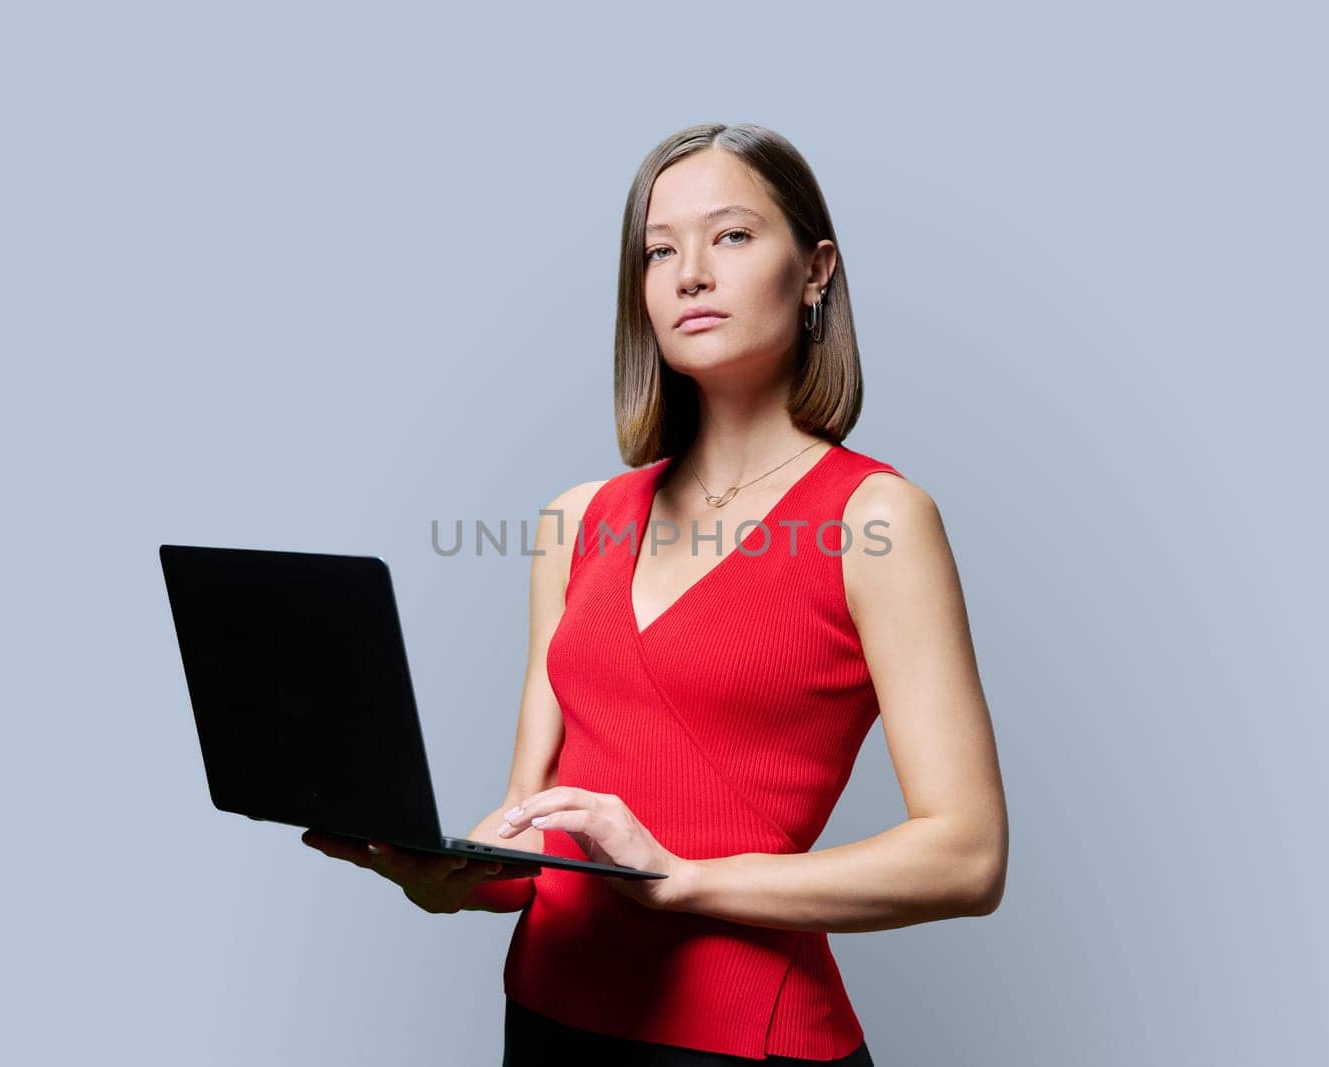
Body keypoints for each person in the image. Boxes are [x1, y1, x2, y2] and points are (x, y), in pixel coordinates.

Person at [303, 121, 1009, 1065]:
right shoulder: (575, 519)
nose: (689, 275)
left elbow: (967, 856)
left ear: (816, 271)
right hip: (549, 1011)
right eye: (658, 249)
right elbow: (533, 822)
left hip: (739, 1035)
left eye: (732, 236)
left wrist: (682, 880)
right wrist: (447, 875)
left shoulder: (875, 519)